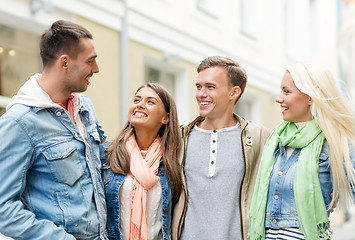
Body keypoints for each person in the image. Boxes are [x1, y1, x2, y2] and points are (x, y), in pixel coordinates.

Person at [0, 20, 107, 239]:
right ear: (65, 62)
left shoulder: (84, 107)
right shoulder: (19, 122)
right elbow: (3, 209)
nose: (96, 69)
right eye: (91, 61)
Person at [248, 62, 355, 240]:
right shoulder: (277, 139)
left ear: (310, 97)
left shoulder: (335, 141)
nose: (278, 98)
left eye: (286, 91)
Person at [171, 56, 270, 240]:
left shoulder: (258, 137)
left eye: (210, 87)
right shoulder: (179, 138)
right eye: (198, 86)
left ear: (234, 92)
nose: (200, 93)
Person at [101, 82, 182, 240]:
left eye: (150, 102)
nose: (140, 105)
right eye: (137, 100)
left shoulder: (173, 160)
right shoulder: (106, 154)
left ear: (165, 118)